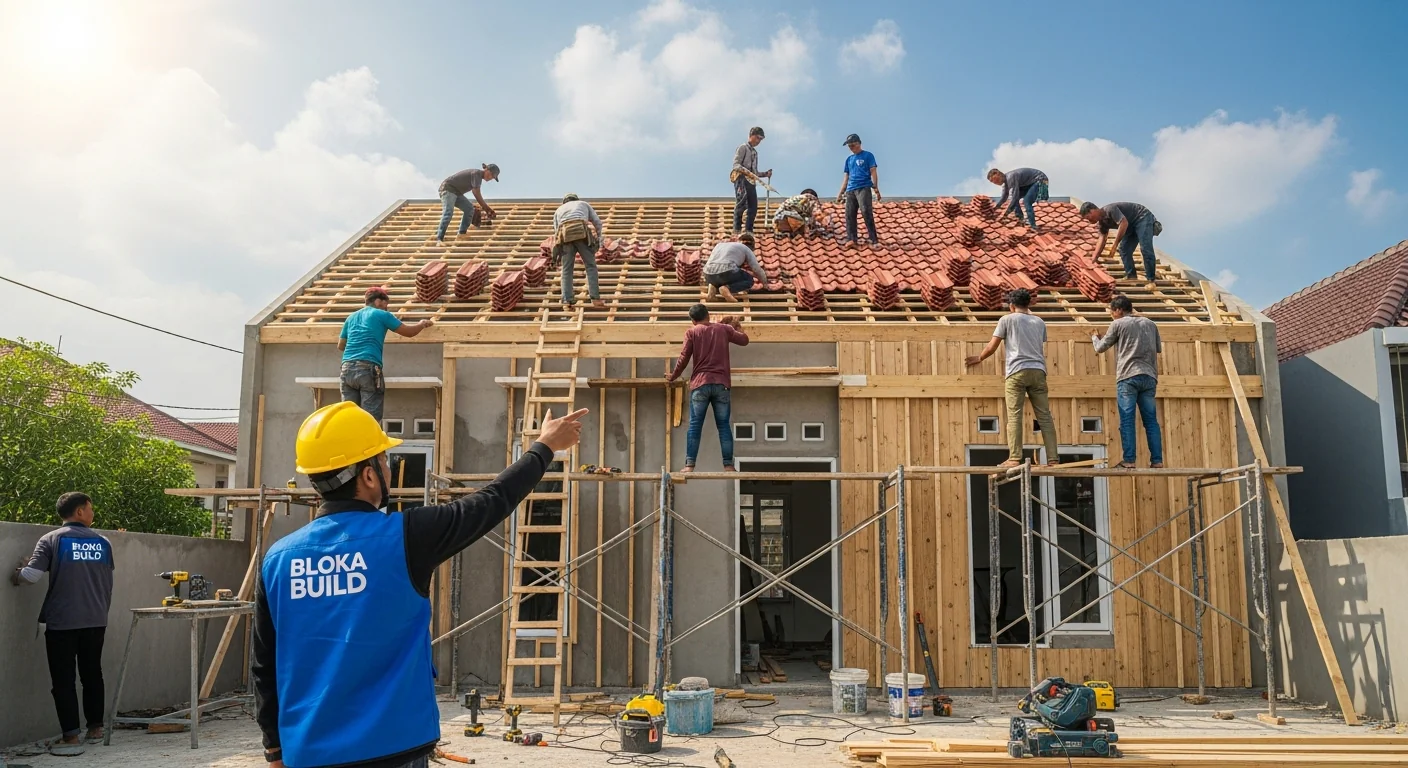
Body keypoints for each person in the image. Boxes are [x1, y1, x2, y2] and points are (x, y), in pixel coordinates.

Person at [253, 401, 586, 768]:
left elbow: (265, 665)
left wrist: (274, 750)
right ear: (367, 476)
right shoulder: (406, 536)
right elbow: (493, 500)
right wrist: (545, 448)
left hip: (309, 753)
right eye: (383, 461)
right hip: (393, 748)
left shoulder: (278, 560)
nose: (388, 468)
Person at [11, 492, 114, 755]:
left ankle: (70, 737)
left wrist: (18, 573)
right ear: (79, 512)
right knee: (92, 674)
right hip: (96, 619)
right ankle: (96, 728)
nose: (92, 513)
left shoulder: (52, 540)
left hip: (63, 621)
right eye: (90, 509)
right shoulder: (103, 542)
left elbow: (32, 576)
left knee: (64, 680)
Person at [964, 289, 1059, 467]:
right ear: (1029, 304)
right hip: (1038, 372)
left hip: (1016, 371)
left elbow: (992, 346)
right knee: (1045, 416)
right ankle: (1053, 458)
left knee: (1015, 415)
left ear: (1011, 305)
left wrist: (979, 357)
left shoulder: (1006, 320)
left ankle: (1015, 458)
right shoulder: (1039, 322)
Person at [667, 304, 748, 473]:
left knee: (695, 426)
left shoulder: (692, 332)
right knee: (724, 426)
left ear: (693, 320)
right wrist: (737, 326)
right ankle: (728, 465)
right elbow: (744, 340)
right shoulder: (724, 329)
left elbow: (684, 357)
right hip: (721, 384)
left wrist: (673, 376)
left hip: (700, 385)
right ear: (708, 315)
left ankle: (689, 465)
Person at [338, 287, 434, 423]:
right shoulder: (382, 315)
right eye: (385, 304)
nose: (386, 308)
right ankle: (370, 443)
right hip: (367, 368)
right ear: (378, 301)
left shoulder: (351, 317)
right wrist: (421, 324)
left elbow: (341, 346)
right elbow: (409, 332)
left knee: (349, 417)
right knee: (370, 419)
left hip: (346, 369)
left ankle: (351, 443)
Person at [1092, 295, 1164, 468]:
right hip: (1149, 377)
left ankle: (1129, 460)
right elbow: (1158, 349)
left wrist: (1095, 337)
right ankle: (1157, 461)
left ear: (1118, 310)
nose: (1111, 315)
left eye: (1112, 311)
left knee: (1127, 419)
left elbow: (1100, 348)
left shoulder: (1118, 324)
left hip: (1128, 376)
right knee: (1151, 422)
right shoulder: (1150, 324)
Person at [1079, 201, 1163, 285]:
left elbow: (1123, 223)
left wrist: (1115, 244)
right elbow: (1101, 239)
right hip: (1131, 227)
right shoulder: (1102, 223)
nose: (1089, 221)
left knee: (1145, 247)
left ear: (1092, 211)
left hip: (1142, 217)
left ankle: (1151, 279)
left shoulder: (1110, 209)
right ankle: (1131, 275)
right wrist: (1093, 260)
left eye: (1088, 217)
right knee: (1124, 249)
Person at [553, 193, 605, 310]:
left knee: (566, 270)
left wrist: (558, 250)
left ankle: (567, 300)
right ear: (576, 199)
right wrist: (599, 239)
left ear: (565, 202)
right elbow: (597, 222)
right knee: (590, 266)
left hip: (565, 236)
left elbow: (556, 232)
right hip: (581, 233)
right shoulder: (583, 204)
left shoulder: (559, 210)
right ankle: (595, 298)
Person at [435, 164, 500, 243]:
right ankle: (439, 238)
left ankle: (461, 234)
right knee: (448, 212)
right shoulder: (476, 174)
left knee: (469, 209)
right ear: (486, 170)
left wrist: (486, 209)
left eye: (492, 177)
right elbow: (476, 193)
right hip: (448, 189)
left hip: (457, 193)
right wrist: (487, 209)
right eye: (491, 175)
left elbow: (476, 193)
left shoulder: (478, 177)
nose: (490, 178)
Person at [836, 133, 880, 245]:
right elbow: (846, 177)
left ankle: (873, 238)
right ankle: (851, 239)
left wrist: (875, 187)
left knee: (866, 210)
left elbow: (873, 171)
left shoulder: (868, 156)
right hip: (851, 189)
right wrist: (841, 192)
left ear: (859, 144)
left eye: (853, 145)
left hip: (863, 187)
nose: (851, 148)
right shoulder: (849, 160)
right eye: (849, 146)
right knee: (849, 214)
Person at [702, 232, 768, 302]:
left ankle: (712, 291)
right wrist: (765, 283)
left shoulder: (720, 245)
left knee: (720, 277)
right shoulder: (746, 248)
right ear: (752, 247)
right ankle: (727, 288)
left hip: (707, 274)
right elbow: (756, 269)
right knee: (749, 280)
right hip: (726, 272)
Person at [731, 127, 772, 234]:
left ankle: (748, 230)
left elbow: (755, 173)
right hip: (741, 178)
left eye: (761, 140)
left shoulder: (754, 153)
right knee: (741, 203)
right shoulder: (743, 148)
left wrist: (765, 174)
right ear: (752, 135)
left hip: (751, 181)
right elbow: (736, 164)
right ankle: (737, 229)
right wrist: (746, 171)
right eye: (758, 138)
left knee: (753, 206)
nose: (759, 141)